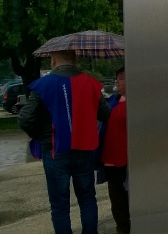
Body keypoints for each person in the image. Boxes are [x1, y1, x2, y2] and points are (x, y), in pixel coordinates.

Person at [18, 49, 111, 234]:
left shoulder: (43, 85)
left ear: (53, 61)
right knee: (87, 199)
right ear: (75, 60)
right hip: (85, 149)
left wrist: (42, 135)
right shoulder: (91, 83)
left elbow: (25, 119)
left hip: (55, 150)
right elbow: (105, 114)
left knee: (59, 205)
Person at [97, 67, 130, 233]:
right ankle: (122, 228)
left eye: (121, 78)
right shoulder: (111, 101)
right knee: (117, 199)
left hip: (131, 160)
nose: (117, 81)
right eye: (117, 77)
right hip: (111, 159)